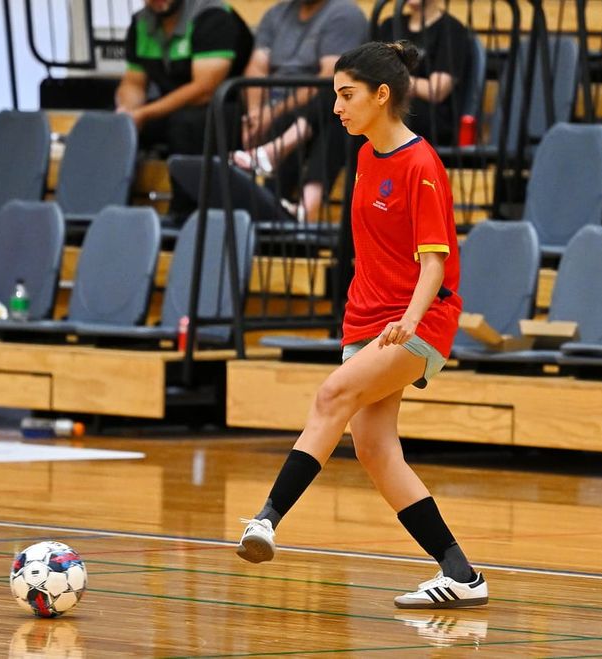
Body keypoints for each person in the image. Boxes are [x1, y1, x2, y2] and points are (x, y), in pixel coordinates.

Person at [236, 41, 488, 609]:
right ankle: (462, 574)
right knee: (375, 450)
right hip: (366, 319)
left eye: (345, 95)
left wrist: (409, 320)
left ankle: (265, 520)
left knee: (332, 397)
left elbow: (436, 262)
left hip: (417, 320)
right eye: (334, 96)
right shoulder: (369, 154)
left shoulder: (421, 166)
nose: (336, 108)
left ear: (381, 95)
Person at [116, 0, 253, 216]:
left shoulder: (213, 16)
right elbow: (133, 82)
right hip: (171, 108)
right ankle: (108, 211)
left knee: (186, 123)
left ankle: (183, 214)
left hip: (224, 110)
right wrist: (127, 111)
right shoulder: (141, 22)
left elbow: (204, 89)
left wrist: (144, 113)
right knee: (114, 124)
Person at [234, 0, 367, 220]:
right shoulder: (275, 13)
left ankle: (284, 194)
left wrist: (271, 113)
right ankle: (269, 209)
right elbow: (256, 68)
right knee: (221, 112)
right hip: (277, 106)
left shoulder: (344, 13)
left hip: (322, 106)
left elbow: (330, 75)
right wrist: (256, 113)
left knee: (334, 103)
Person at [374, 0, 472, 146]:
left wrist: (396, 82)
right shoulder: (389, 25)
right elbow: (371, 72)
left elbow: (437, 90)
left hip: (432, 118)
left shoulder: (452, 30)